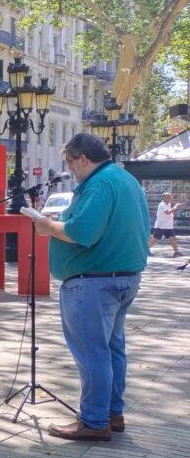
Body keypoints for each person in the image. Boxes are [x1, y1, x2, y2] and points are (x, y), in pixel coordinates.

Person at [34, 133, 149, 441]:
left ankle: (94, 420)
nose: (70, 169)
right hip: (122, 277)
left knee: (93, 353)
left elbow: (82, 232)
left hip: (94, 282)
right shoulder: (125, 180)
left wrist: (48, 226)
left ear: (83, 158)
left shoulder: (99, 184)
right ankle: (112, 412)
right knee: (112, 349)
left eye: (70, 162)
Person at [148, 192, 183, 257]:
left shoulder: (168, 204)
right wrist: (176, 205)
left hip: (168, 226)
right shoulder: (162, 205)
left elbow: (171, 212)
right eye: (166, 197)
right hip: (161, 226)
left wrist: (176, 205)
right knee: (154, 239)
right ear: (163, 198)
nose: (168, 199)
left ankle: (176, 252)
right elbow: (168, 212)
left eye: (169, 197)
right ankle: (146, 250)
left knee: (173, 238)